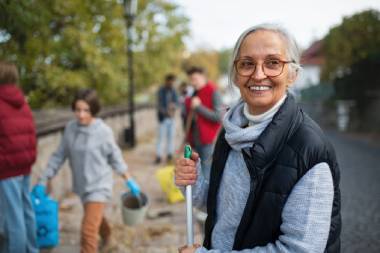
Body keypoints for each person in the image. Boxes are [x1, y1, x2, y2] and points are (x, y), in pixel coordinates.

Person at [175, 23, 341, 253]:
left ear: (292, 74)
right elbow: (224, 207)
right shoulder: (231, 130)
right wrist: (193, 184)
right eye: (247, 64)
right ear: (235, 75)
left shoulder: (308, 149)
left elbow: (299, 250)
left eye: (273, 63)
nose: (258, 74)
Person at [36, 88, 141, 253]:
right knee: (95, 220)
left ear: (94, 109)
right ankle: (107, 236)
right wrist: (44, 179)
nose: (81, 115)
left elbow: (115, 157)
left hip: (99, 186)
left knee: (87, 231)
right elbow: (59, 156)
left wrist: (129, 179)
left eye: (86, 110)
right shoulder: (70, 129)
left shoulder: (103, 131)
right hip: (82, 186)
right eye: (78, 110)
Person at [0, 61, 38, 253]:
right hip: (24, 165)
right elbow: (31, 134)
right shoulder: (22, 102)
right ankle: (32, 249)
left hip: (7, 168)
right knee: (26, 212)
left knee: (13, 219)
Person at [184, 66, 222, 181]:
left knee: (206, 171)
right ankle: (196, 196)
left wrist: (198, 107)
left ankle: (206, 198)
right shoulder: (195, 92)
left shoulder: (214, 91)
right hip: (193, 138)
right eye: (191, 79)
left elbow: (218, 117)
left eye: (195, 79)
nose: (192, 82)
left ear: (203, 77)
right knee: (194, 170)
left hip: (207, 140)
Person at [155, 74, 179, 164]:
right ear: (167, 81)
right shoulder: (161, 91)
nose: (172, 83)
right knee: (161, 138)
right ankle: (159, 156)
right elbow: (159, 105)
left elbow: (177, 103)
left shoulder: (174, 91)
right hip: (163, 118)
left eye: (173, 81)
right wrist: (166, 112)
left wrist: (174, 106)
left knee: (171, 137)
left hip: (171, 118)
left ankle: (169, 155)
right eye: (171, 81)